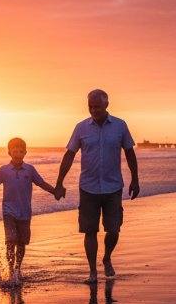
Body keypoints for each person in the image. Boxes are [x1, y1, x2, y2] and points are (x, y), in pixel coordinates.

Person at [54, 89, 139, 283]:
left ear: (106, 105)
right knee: (89, 230)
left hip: (113, 187)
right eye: (90, 106)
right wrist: (59, 182)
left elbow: (129, 153)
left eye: (97, 106)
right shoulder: (81, 128)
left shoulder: (120, 126)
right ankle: (92, 272)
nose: (94, 110)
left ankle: (107, 257)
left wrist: (135, 179)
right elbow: (69, 155)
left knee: (114, 229)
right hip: (88, 188)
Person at [0, 137, 56, 283]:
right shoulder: (4, 170)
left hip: (25, 212)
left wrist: (56, 191)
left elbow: (42, 183)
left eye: (21, 151)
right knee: (10, 241)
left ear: (25, 153)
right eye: (15, 151)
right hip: (9, 212)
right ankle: (10, 271)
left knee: (21, 244)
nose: (18, 154)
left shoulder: (30, 169)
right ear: (9, 152)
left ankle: (17, 269)